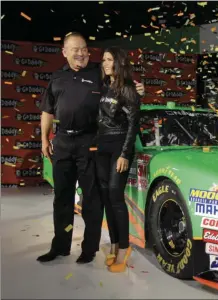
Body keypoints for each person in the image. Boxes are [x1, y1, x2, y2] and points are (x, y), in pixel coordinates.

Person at [38, 32, 144, 264]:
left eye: (84, 48)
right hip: (63, 143)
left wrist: (136, 87)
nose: (80, 53)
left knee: (92, 199)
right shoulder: (56, 78)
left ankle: (89, 249)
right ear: (64, 52)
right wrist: (45, 140)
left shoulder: (98, 71)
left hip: (90, 144)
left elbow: (121, 78)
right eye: (75, 49)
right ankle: (61, 246)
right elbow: (47, 111)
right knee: (62, 198)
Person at [95, 47, 140, 272]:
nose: (105, 63)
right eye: (103, 59)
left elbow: (133, 125)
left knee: (115, 195)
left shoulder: (129, 89)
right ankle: (113, 245)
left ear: (119, 63)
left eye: (109, 59)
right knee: (105, 196)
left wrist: (124, 153)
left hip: (119, 146)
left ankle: (124, 247)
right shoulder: (104, 86)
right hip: (101, 146)